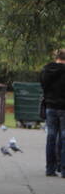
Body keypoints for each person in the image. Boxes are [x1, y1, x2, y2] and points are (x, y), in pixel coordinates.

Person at [40, 49, 65, 178]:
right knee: (63, 136)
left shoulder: (47, 70)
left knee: (51, 136)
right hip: (63, 107)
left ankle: (50, 168)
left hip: (50, 106)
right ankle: (63, 168)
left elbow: (43, 85)